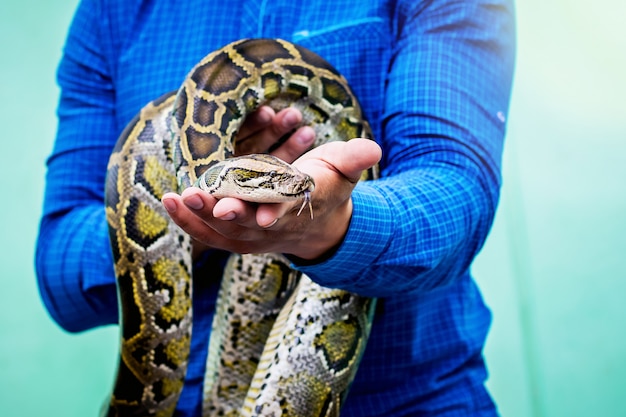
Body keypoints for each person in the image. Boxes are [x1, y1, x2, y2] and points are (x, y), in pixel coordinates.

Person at [35, 0, 516, 415]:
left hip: (415, 405)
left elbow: (456, 196)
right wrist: (187, 219)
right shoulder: (111, 12)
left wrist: (333, 227)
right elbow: (61, 279)